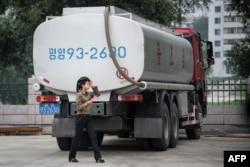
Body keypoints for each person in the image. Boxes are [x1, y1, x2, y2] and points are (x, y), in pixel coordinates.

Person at [68, 76, 105, 163]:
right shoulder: (79, 95)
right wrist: (87, 103)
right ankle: (72, 157)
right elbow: (79, 108)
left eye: (89, 83)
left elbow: (98, 94)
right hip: (81, 117)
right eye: (87, 84)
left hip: (88, 117)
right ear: (82, 85)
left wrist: (93, 86)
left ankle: (98, 158)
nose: (88, 85)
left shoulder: (88, 94)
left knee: (93, 136)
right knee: (77, 137)